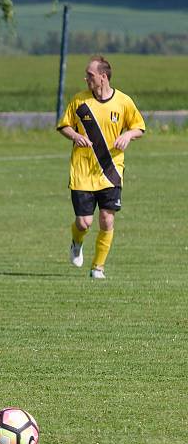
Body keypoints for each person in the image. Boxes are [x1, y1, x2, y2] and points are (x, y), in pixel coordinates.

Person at [57, 56, 145, 279]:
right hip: (82, 171)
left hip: (111, 170)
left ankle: (98, 268)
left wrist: (128, 134)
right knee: (84, 222)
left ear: (103, 77)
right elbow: (64, 125)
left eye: (90, 75)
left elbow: (139, 127)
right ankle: (77, 242)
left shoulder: (123, 102)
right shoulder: (79, 101)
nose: (86, 78)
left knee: (107, 218)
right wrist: (75, 135)